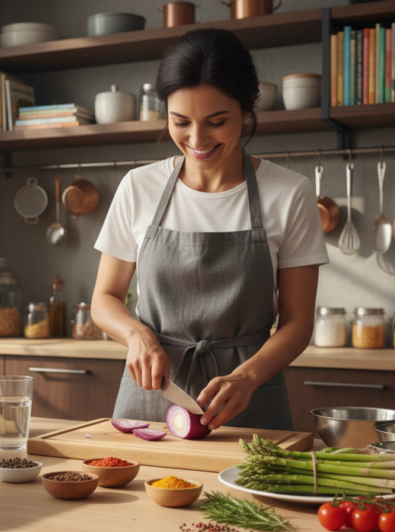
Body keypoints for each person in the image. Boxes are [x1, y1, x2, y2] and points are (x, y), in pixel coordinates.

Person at [91, 29, 329, 432]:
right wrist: (137, 336)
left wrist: (248, 377)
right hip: (150, 398)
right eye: (180, 122)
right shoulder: (138, 186)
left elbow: (297, 323)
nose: (197, 140)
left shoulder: (290, 193)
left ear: (247, 108)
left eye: (216, 122)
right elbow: (104, 299)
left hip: (248, 403)